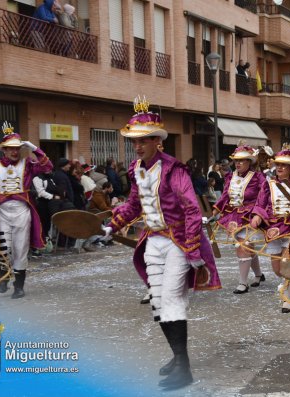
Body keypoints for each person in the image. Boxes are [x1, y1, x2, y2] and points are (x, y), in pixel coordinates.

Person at [102, 96, 221, 390]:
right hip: (153, 241)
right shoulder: (136, 169)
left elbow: (193, 209)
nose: (138, 146)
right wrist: (111, 226)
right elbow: (133, 205)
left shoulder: (174, 170)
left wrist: (193, 249)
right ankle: (178, 357)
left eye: (144, 140)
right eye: (135, 141)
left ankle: (185, 368)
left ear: (158, 141)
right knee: (158, 302)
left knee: (171, 300)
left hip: (179, 242)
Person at [0, 122, 53, 299]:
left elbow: (48, 167)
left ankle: (19, 286)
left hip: (22, 211)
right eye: (10, 148)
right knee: (3, 247)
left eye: (17, 148)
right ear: (4, 149)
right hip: (1, 212)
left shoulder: (29, 164)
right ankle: (3, 279)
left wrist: (34, 148)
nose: (14, 152)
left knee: (20, 248)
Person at [250, 144, 290, 313]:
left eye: (284, 165)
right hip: (273, 227)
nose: (280, 168)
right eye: (278, 165)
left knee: (287, 263)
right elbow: (261, 203)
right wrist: (257, 215)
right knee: (277, 269)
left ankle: (287, 299)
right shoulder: (268, 185)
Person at [212, 144, 266, 293]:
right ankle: (259, 275)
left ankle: (243, 283)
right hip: (232, 216)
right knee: (247, 246)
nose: (238, 163)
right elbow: (224, 196)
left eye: (242, 160)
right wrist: (216, 209)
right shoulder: (230, 176)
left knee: (243, 246)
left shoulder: (257, 177)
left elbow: (264, 197)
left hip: (249, 216)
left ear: (249, 162)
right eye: (236, 160)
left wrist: (259, 213)